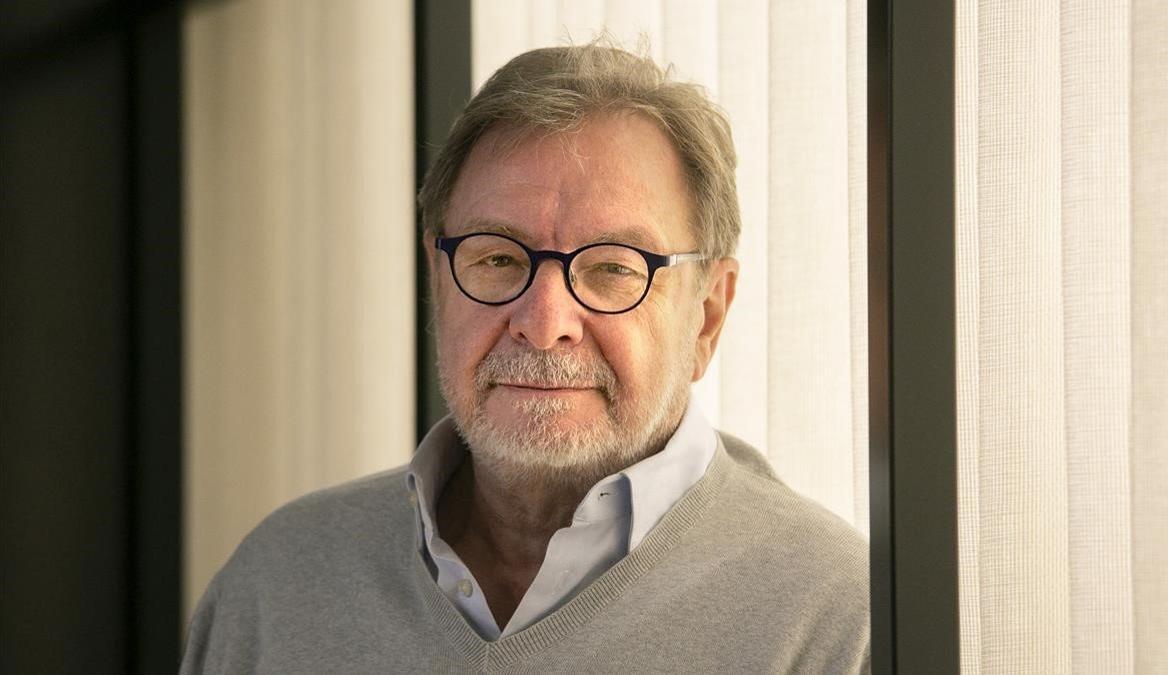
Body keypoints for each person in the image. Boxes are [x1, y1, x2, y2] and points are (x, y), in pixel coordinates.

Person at [181, 41, 869, 674]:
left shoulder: (836, 621)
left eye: (610, 268)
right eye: (498, 258)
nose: (543, 324)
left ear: (707, 316)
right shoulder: (278, 586)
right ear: (438, 278)